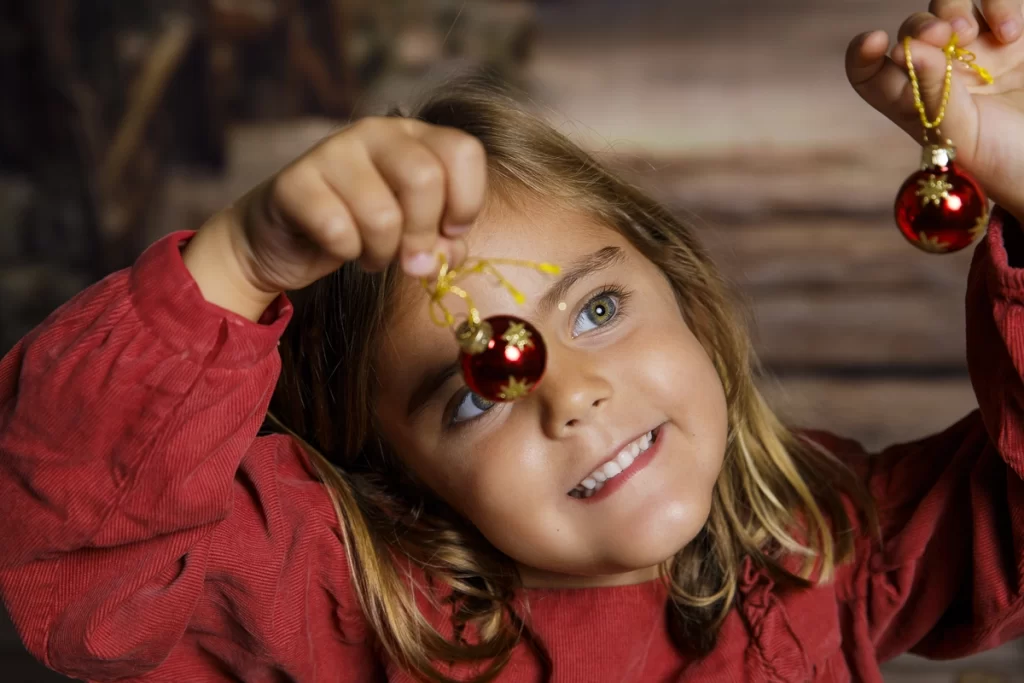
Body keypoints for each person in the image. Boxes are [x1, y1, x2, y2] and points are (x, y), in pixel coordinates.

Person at [3, 1, 1024, 681]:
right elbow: (81, 554)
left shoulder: (821, 544)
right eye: (473, 391)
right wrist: (240, 262)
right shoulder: (343, 609)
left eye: (595, 308)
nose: (570, 393)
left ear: (687, 299)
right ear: (393, 471)